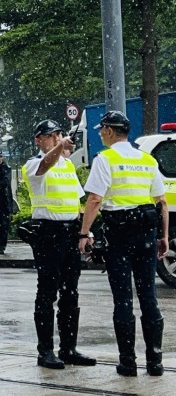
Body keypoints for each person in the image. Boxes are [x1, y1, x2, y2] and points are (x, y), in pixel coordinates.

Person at [79, 110, 168, 377]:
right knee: (148, 296)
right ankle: (155, 362)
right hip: (146, 232)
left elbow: (95, 199)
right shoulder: (147, 159)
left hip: (120, 233)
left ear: (108, 130)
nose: (100, 134)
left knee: (123, 299)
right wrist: (163, 237)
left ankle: (128, 362)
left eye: (100, 130)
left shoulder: (105, 159)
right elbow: (161, 201)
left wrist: (84, 234)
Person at [22, 120, 96, 369]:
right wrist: (60, 147)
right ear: (38, 140)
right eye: (51, 136)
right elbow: (45, 164)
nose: (57, 138)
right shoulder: (33, 164)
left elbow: (76, 202)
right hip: (47, 233)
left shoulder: (67, 166)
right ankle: (45, 352)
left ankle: (69, 348)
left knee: (70, 292)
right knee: (47, 291)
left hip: (69, 232)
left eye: (59, 135)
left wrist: (86, 232)